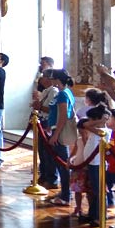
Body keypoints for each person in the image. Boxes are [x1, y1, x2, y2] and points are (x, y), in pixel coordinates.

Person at [46, 68, 76, 207]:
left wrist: (56, 134)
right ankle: (64, 191)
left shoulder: (63, 94)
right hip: (55, 129)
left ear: (57, 80)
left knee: (63, 163)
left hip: (60, 132)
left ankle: (66, 195)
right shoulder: (65, 92)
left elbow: (63, 115)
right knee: (60, 163)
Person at [33, 70, 60, 188]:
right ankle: (44, 175)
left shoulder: (54, 91)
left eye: (43, 77)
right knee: (42, 151)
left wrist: (40, 106)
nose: (41, 79)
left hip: (48, 123)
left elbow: (53, 110)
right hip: (42, 122)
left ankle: (52, 178)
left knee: (48, 152)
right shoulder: (45, 91)